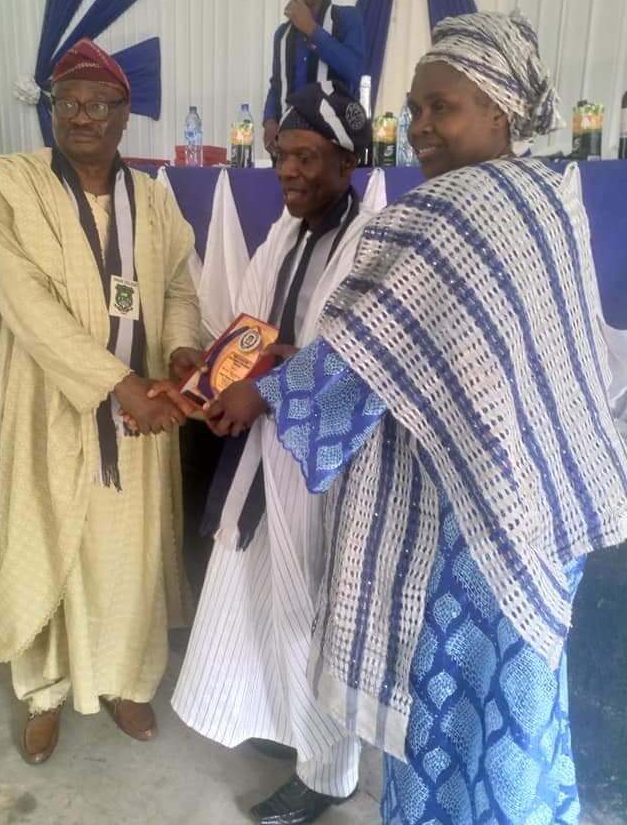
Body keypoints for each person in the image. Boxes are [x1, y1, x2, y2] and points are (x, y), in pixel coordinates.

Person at [200, 12, 627, 823]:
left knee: (444, 709)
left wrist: (266, 393)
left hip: (466, 515)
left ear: (500, 109)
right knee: (515, 713)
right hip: (531, 504)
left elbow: (361, 353)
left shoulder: (450, 210)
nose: (423, 126)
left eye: (443, 107)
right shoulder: (549, 198)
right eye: (416, 108)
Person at [0, 38, 204, 765]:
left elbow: (176, 286)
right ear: (52, 111)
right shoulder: (8, 189)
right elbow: (25, 304)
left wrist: (181, 350)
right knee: (46, 538)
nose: (83, 115)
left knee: (128, 549)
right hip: (47, 405)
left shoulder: (153, 199)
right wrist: (116, 383)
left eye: (100, 104)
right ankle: (45, 690)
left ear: (126, 115)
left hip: (140, 412)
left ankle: (127, 679)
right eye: (68, 102)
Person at [171, 83, 373, 825]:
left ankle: (330, 774)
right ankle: (284, 723)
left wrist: (269, 381)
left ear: (347, 162)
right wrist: (206, 376)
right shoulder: (282, 237)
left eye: (307, 157)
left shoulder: (370, 243)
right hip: (267, 449)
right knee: (259, 588)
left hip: (328, 463)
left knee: (315, 606)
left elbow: (355, 360)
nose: (288, 170)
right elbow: (251, 334)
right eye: (283, 155)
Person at [262, 0, 364, 159]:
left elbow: (355, 70)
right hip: (289, 146)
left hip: (333, 145)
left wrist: (312, 29)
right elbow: (277, 84)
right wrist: (269, 121)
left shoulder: (346, 18)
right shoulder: (282, 34)